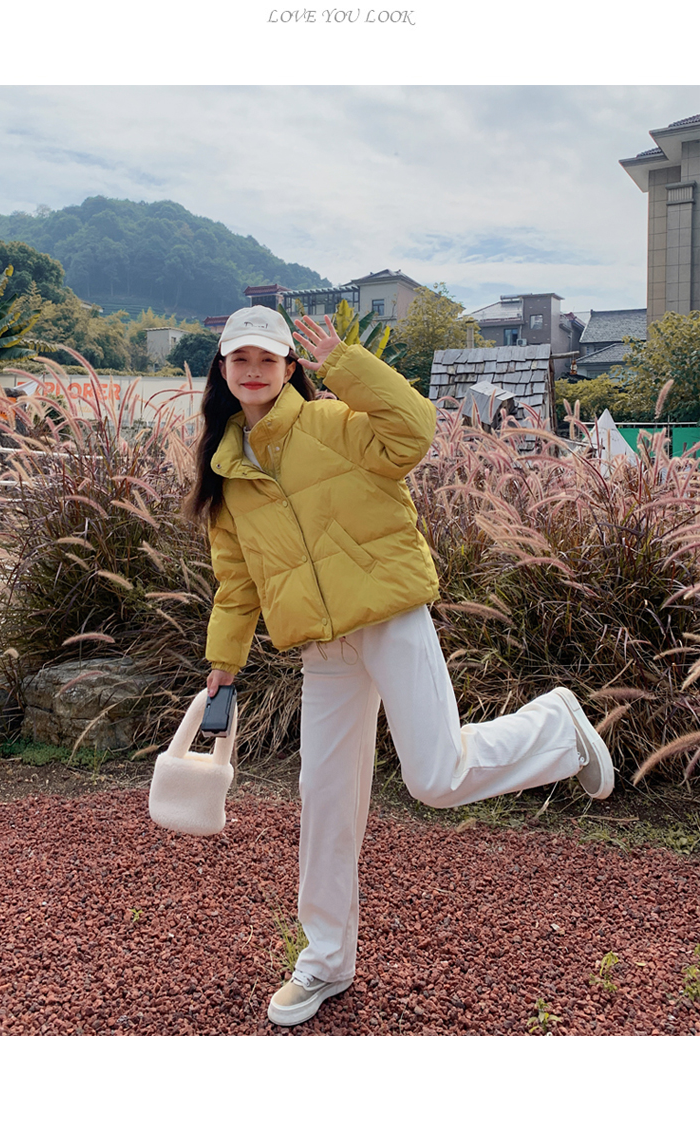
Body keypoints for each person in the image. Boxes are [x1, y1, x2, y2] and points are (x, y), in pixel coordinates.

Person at [185, 305, 614, 1028]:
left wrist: (347, 364)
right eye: (240, 359)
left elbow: (415, 429)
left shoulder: (335, 424)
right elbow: (237, 583)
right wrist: (223, 663)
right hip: (322, 649)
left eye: (267, 358)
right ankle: (325, 960)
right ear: (222, 370)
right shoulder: (227, 471)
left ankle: (555, 728)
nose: (253, 371)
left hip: (389, 615)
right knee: (324, 801)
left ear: (290, 367)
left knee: (436, 778)